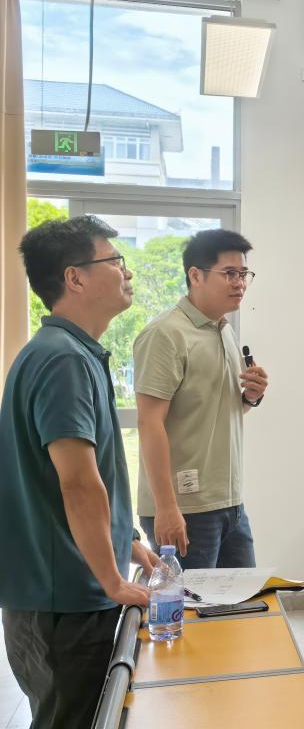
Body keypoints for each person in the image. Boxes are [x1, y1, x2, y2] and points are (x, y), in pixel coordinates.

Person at [0, 216, 157, 729]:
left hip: (61, 593)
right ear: (75, 278)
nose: (126, 272)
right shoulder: (62, 360)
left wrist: (125, 541)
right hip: (64, 601)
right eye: (115, 261)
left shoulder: (71, 352)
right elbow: (77, 482)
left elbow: (72, 479)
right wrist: (112, 581)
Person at [134, 229, 269, 569]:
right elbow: (149, 423)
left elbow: (215, 411)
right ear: (195, 275)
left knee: (244, 600)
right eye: (229, 273)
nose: (240, 283)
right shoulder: (165, 334)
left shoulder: (224, 329)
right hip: (186, 509)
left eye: (244, 274)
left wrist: (250, 397)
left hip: (229, 503)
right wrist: (166, 507)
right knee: (189, 604)